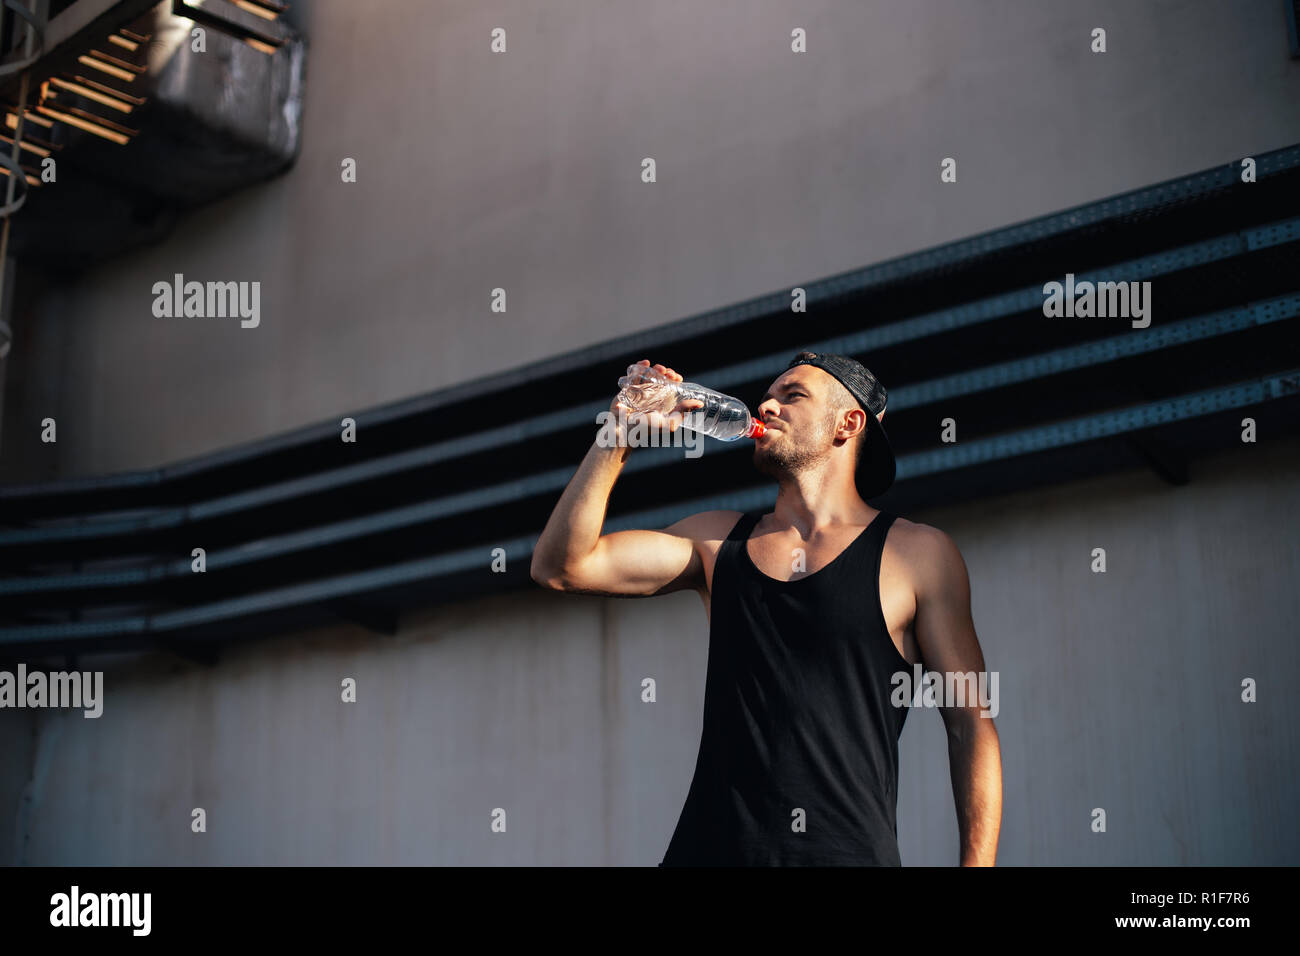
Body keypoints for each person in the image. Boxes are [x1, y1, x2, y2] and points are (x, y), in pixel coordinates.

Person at [531, 351, 1002, 865]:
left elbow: (970, 724)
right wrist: (618, 433)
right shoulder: (717, 542)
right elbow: (562, 566)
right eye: (769, 395)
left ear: (848, 423)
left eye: (791, 395)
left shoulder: (917, 554)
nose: (766, 405)